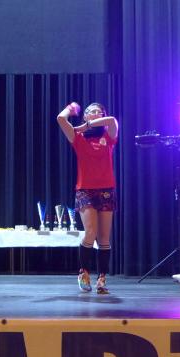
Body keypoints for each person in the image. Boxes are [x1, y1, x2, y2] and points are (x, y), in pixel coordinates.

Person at [57, 101, 119, 294]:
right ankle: (83, 272)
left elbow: (112, 120)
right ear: (84, 115)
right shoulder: (77, 137)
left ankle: (102, 278)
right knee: (90, 232)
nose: (96, 113)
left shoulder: (108, 136)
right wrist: (71, 108)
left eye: (99, 112)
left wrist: (88, 124)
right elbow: (61, 119)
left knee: (104, 238)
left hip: (106, 189)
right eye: (92, 111)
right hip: (85, 190)